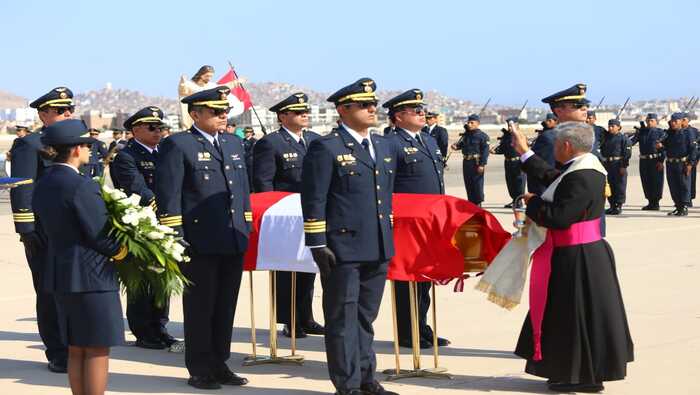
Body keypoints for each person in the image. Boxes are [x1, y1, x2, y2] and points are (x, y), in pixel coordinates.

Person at [510, 119, 634, 393]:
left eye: (555, 144)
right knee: (570, 315)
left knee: (576, 316)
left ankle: (579, 375)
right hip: (578, 254)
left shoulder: (582, 175)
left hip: (578, 256)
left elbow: (558, 217)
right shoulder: (582, 167)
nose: (553, 149)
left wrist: (533, 203)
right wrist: (524, 152)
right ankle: (573, 372)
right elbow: (554, 179)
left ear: (566, 145)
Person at [302, 78, 398, 395]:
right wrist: (317, 243)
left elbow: (384, 197)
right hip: (342, 247)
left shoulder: (383, 146)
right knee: (342, 318)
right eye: (364, 104)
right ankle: (348, 385)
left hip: (378, 244)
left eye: (373, 104)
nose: (373, 109)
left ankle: (367, 378)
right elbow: (314, 198)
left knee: (365, 318)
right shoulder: (326, 147)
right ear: (344, 110)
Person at [156, 86, 251, 390]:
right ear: (195, 114)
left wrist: (245, 228)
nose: (224, 115)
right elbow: (169, 195)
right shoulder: (178, 145)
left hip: (232, 238)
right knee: (200, 307)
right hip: (198, 241)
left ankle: (220, 363)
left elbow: (242, 193)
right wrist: (176, 237)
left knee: (225, 306)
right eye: (216, 111)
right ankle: (200, 368)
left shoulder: (233, 144)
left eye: (225, 111)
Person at [33, 119, 128, 395]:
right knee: (97, 349)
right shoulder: (81, 185)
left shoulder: (45, 183)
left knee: (76, 348)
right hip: (92, 274)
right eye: (87, 144)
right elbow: (98, 233)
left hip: (61, 271)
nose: (90, 150)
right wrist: (125, 252)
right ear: (75, 149)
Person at [10, 87, 75, 373]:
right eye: (60, 111)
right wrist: (26, 228)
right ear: (43, 114)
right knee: (49, 292)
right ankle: (58, 351)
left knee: (74, 291)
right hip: (44, 231)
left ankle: (75, 345)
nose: (67, 114)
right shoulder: (31, 144)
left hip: (75, 230)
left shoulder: (77, 143)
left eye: (68, 109)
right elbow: (23, 185)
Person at [252, 92, 324, 338]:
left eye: (305, 111)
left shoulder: (315, 140)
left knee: (308, 264)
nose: (304, 115)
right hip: (283, 216)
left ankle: (307, 318)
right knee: (286, 269)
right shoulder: (271, 143)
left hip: (310, 212)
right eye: (297, 112)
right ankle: (289, 320)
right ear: (283, 116)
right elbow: (263, 183)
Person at [383, 89, 449, 349]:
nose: (423, 113)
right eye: (416, 110)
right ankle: (407, 332)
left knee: (425, 277)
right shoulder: (391, 143)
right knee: (407, 278)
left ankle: (422, 327)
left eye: (423, 110)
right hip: (406, 223)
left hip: (430, 220)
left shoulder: (429, 141)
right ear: (398, 116)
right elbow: (385, 184)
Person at [111, 107, 180, 350]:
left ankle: (160, 326)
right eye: (152, 127)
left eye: (160, 127)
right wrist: (167, 208)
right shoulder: (127, 157)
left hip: (167, 222)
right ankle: (143, 331)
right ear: (135, 129)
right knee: (141, 279)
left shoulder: (166, 153)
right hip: (141, 225)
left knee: (163, 276)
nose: (158, 131)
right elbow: (138, 190)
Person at [659, 112, 697, 216]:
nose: (673, 123)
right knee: (673, 186)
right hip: (671, 163)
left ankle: (684, 207)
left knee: (684, 185)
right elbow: (665, 147)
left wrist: (690, 164)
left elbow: (693, 150)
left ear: (681, 122)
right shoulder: (669, 134)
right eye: (672, 121)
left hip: (682, 164)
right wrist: (660, 146)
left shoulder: (687, 133)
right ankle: (678, 206)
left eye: (676, 121)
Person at [450, 114, 489, 206]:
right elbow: (462, 145)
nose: (469, 124)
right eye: (468, 122)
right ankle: (471, 202)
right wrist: (456, 146)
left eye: (472, 123)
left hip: (476, 162)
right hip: (466, 162)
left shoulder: (483, 136)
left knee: (477, 184)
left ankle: (478, 203)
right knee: (468, 183)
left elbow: (485, 152)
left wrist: (482, 165)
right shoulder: (466, 135)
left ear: (478, 124)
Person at [630, 113, 666, 210]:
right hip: (644, 160)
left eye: (652, 121)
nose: (649, 123)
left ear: (656, 122)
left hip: (655, 160)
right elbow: (631, 142)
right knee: (646, 181)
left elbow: (664, 148)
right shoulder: (642, 132)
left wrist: (661, 161)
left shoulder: (660, 132)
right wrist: (635, 134)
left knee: (656, 182)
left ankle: (656, 203)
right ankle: (650, 202)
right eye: (648, 121)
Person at [492, 117, 526, 207]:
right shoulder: (506, 136)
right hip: (508, 162)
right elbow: (503, 149)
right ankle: (514, 200)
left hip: (518, 162)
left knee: (519, 182)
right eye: (508, 126)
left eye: (511, 125)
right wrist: (495, 151)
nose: (509, 127)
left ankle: (519, 202)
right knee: (510, 182)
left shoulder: (520, 135)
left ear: (517, 125)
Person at [600, 119, 631, 215]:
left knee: (619, 186)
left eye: (613, 126)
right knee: (609, 185)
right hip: (607, 165)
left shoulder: (623, 139)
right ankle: (612, 205)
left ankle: (618, 205)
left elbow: (627, 154)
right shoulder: (605, 138)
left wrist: (623, 166)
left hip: (618, 165)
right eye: (609, 126)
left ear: (619, 127)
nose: (610, 128)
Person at [178, 65, 217, 129]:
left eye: (211, 76)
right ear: (201, 75)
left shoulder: (211, 85)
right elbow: (183, 92)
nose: (209, 78)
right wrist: (182, 83)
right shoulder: (190, 84)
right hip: (193, 113)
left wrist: (236, 82)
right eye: (207, 76)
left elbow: (223, 88)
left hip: (207, 114)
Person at [528, 113, 557, 194]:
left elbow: (533, 154)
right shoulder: (560, 133)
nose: (547, 122)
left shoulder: (546, 136)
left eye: (549, 120)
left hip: (544, 170)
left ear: (556, 121)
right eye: (546, 120)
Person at [681, 112, 699, 205]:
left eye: (684, 119)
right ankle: (683, 200)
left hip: (691, 160)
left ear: (688, 120)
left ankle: (689, 199)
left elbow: (697, 147)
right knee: (681, 181)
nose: (682, 121)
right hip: (679, 161)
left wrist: (696, 160)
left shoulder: (694, 131)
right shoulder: (677, 130)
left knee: (690, 180)